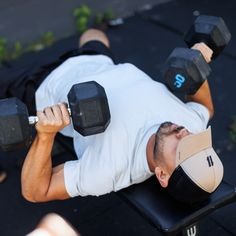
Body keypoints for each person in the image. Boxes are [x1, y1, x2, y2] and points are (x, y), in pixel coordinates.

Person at [1, 28, 222, 204]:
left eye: (183, 148)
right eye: (196, 140)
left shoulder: (109, 170)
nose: (184, 132)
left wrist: (46, 136)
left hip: (42, 85)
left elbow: (37, 192)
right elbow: (205, 108)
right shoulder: (192, 124)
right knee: (94, 33)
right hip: (97, 60)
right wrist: (198, 65)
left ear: (162, 175)